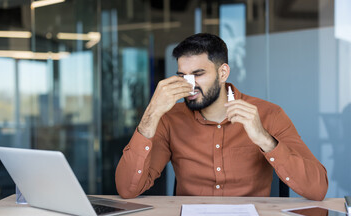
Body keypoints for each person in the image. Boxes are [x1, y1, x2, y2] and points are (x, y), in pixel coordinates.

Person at [115, 33, 328, 201]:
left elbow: (317, 189)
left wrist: (264, 139)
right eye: (183, 76)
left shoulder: (269, 114)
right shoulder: (170, 119)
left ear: (223, 72)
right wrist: (152, 113)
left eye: (198, 74)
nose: (190, 85)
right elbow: (128, 189)